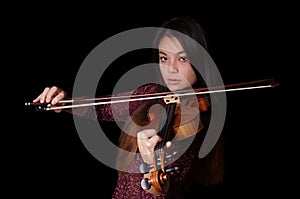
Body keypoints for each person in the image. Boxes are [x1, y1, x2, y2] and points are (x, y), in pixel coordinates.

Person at [32, 16, 225, 198]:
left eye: (183, 58)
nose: (170, 69)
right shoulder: (151, 93)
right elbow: (103, 107)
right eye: (164, 58)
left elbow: (166, 191)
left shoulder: (198, 122)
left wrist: (154, 169)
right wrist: (66, 102)